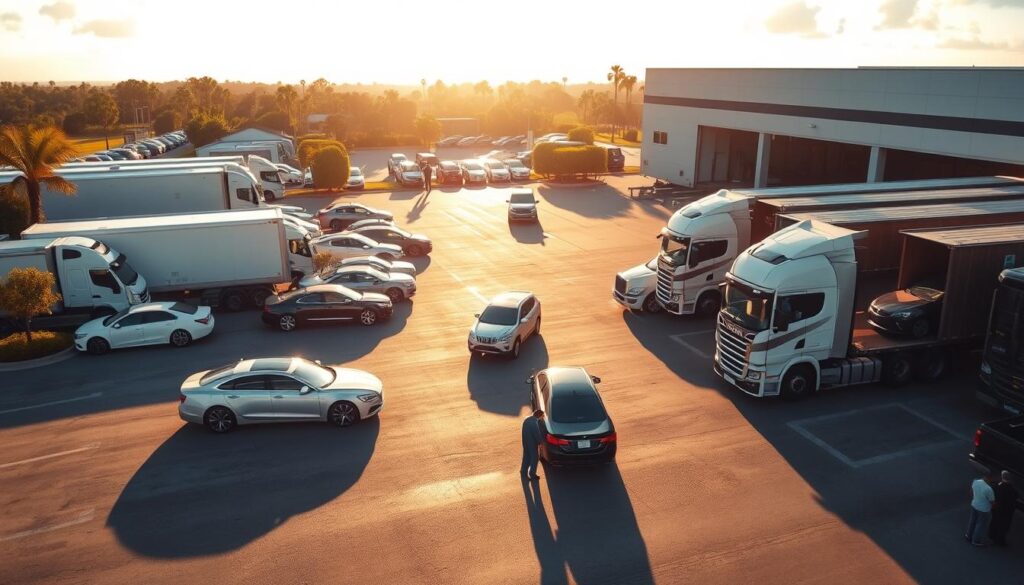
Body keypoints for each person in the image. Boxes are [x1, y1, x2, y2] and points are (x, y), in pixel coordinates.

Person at [966, 471, 996, 546]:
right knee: (980, 524)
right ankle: (975, 540)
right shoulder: (989, 489)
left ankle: (968, 535)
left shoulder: (975, 481)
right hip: (984, 509)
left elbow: (971, 492)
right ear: (990, 478)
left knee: (972, 520)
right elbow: (992, 502)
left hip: (974, 504)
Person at [989, 470, 1018, 546]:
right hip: (1006, 512)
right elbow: (1014, 501)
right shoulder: (1012, 490)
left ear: (1002, 477)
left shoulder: (996, 487)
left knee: (994, 521)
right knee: (1004, 526)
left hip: (996, 509)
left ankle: (991, 535)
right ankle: (1000, 540)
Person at [520, 409, 545, 481]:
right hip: (532, 443)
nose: (542, 418)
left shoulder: (527, 419)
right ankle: (532, 474)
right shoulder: (534, 423)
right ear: (539, 416)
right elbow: (536, 434)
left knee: (526, 456)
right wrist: (540, 443)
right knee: (535, 458)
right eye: (542, 416)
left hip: (525, 441)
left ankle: (523, 471)